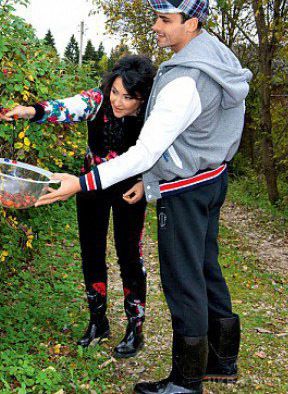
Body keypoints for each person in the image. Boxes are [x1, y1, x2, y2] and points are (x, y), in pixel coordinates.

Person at [33, 1, 252, 393]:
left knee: (183, 280)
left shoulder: (185, 79)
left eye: (166, 20)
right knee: (205, 267)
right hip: (212, 175)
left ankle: (185, 383)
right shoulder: (216, 54)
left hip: (186, 187)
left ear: (192, 23)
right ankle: (223, 360)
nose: (155, 26)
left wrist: (81, 183)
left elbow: (145, 152)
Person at [0, 55, 156, 358]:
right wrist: (31, 111)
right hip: (90, 184)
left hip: (130, 189)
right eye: (115, 92)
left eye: (128, 97)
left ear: (143, 98)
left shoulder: (152, 114)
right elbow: (67, 107)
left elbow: (160, 150)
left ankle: (135, 329)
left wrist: (147, 182)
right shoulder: (98, 100)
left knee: (129, 257)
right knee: (91, 253)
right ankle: (98, 322)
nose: (118, 102)